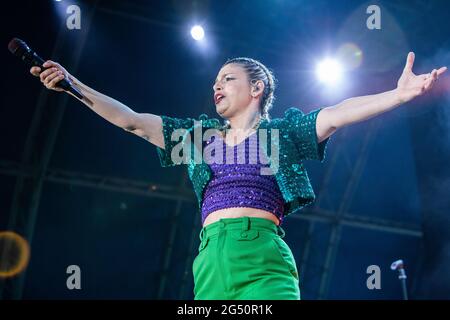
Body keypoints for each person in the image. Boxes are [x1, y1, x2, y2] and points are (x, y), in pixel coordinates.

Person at [30, 53, 446, 300]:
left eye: (227, 78)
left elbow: (337, 114)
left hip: (262, 257)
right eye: (214, 81)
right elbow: (134, 122)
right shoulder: (198, 139)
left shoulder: (281, 134)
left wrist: (398, 94)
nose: (217, 86)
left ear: (258, 87)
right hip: (210, 260)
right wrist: (73, 84)